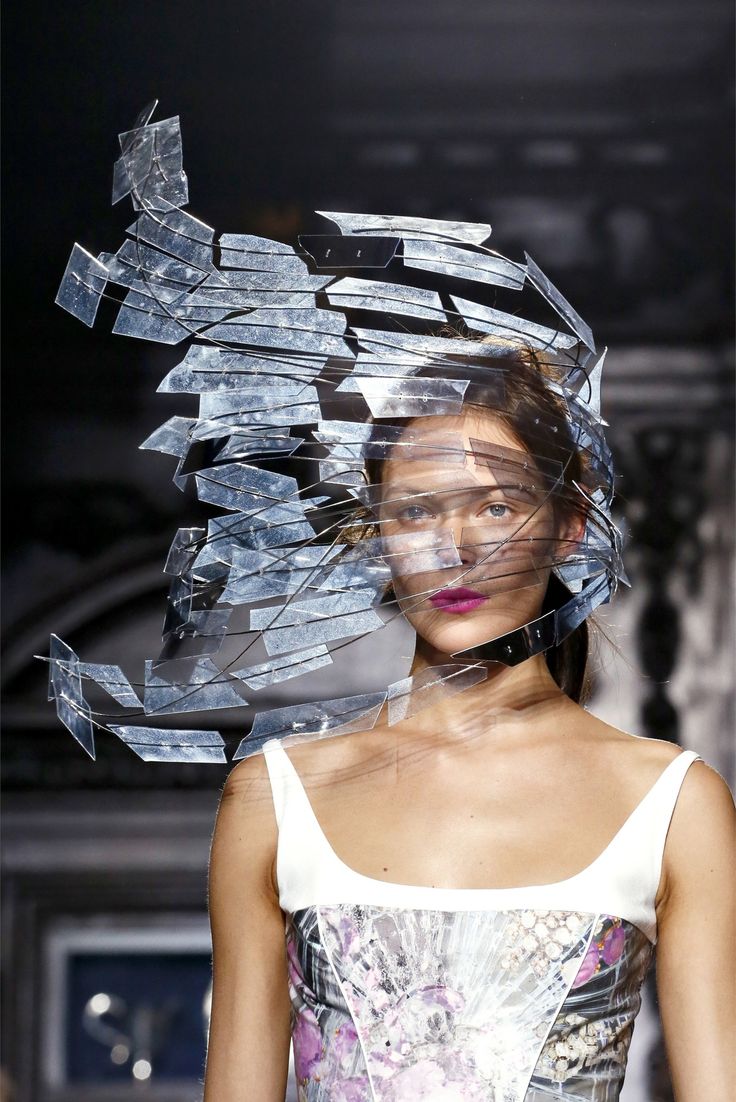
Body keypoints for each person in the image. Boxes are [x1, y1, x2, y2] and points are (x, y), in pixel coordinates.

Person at [203, 351, 736, 1100]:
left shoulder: (673, 805)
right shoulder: (274, 800)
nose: (455, 549)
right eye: (416, 511)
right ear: (376, 535)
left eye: (495, 508)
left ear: (569, 524)